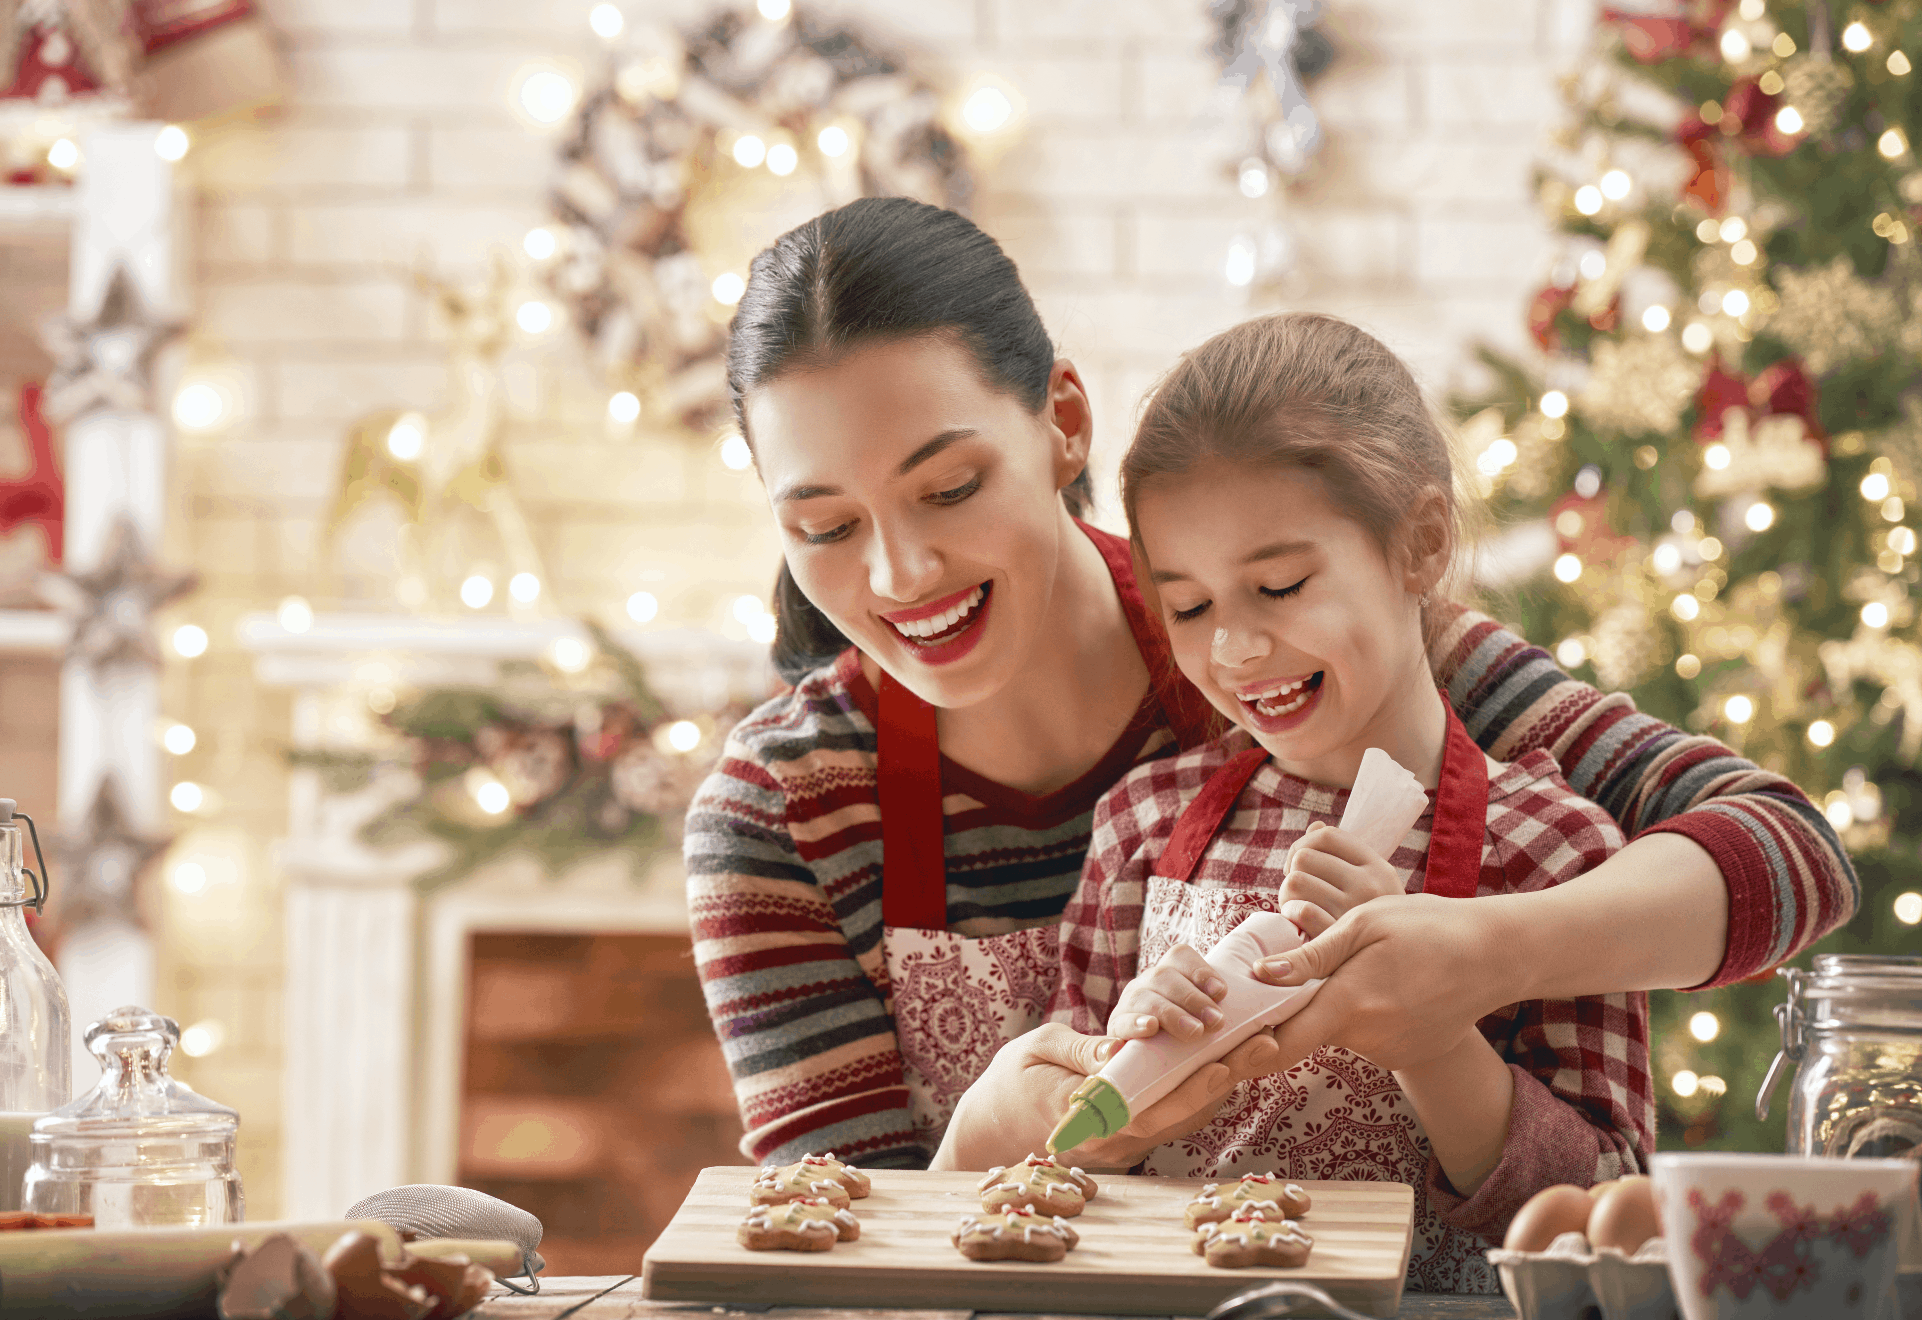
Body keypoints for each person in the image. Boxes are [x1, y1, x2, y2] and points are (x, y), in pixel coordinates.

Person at [685, 196, 1856, 1173]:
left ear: (1063, 423)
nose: (902, 573)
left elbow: (1787, 858)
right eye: (826, 524)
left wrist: (1482, 961)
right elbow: (824, 1269)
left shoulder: (1295, 657)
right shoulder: (780, 812)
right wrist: (987, 1140)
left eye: (947, 489)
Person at [1001, 312, 1649, 1293]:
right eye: (1187, 606)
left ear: (1419, 543)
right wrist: (1117, 1073)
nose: (1233, 651)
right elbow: (1061, 1174)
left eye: (1279, 584)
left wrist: (1430, 1038)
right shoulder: (1139, 826)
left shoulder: (1550, 852)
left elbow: (1608, 1216)